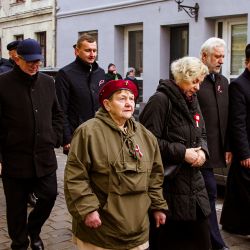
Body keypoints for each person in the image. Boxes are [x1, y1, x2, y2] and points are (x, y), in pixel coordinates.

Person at [64, 79, 168, 250]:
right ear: (107, 104)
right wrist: (87, 209)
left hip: (138, 230)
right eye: (122, 99)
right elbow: (75, 176)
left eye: (132, 99)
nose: (129, 103)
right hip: (101, 229)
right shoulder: (88, 132)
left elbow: (155, 176)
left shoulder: (146, 136)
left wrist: (158, 206)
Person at [139, 56, 211, 250]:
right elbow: (147, 142)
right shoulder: (160, 101)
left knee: (202, 241)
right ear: (181, 77)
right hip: (168, 188)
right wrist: (182, 153)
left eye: (200, 82)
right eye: (194, 81)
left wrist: (203, 152)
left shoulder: (192, 99)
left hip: (194, 188)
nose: (198, 87)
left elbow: (202, 132)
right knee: (169, 242)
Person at [0, 38, 64, 250]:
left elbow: (57, 114)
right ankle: (19, 242)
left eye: (38, 61)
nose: (34, 65)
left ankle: (33, 230)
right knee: (16, 208)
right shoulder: (3, 83)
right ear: (17, 59)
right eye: (30, 61)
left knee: (49, 196)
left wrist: (54, 137)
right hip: (15, 158)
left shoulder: (48, 82)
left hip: (44, 156)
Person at [197, 37, 232, 250]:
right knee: (209, 192)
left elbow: (226, 117)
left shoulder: (223, 82)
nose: (220, 61)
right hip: (199, 151)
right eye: (217, 56)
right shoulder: (194, 80)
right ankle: (216, 243)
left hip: (217, 151)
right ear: (204, 56)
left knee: (206, 195)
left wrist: (228, 146)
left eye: (222, 57)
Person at [55, 33, 105, 155]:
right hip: (77, 135)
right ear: (77, 51)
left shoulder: (100, 73)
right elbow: (60, 109)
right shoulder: (65, 74)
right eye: (88, 50)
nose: (92, 54)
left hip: (100, 134)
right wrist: (66, 138)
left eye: (94, 50)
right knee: (79, 173)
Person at [220, 43, 250, 236]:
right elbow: (237, 122)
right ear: (248, 62)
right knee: (246, 192)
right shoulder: (239, 85)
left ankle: (232, 225)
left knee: (238, 191)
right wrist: (244, 152)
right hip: (247, 148)